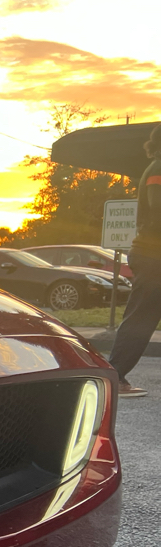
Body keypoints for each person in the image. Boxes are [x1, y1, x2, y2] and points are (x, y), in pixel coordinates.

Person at [110, 123, 161, 397]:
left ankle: (116, 374)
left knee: (142, 317)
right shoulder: (158, 169)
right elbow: (158, 208)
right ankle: (114, 375)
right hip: (154, 256)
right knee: (141, 319)